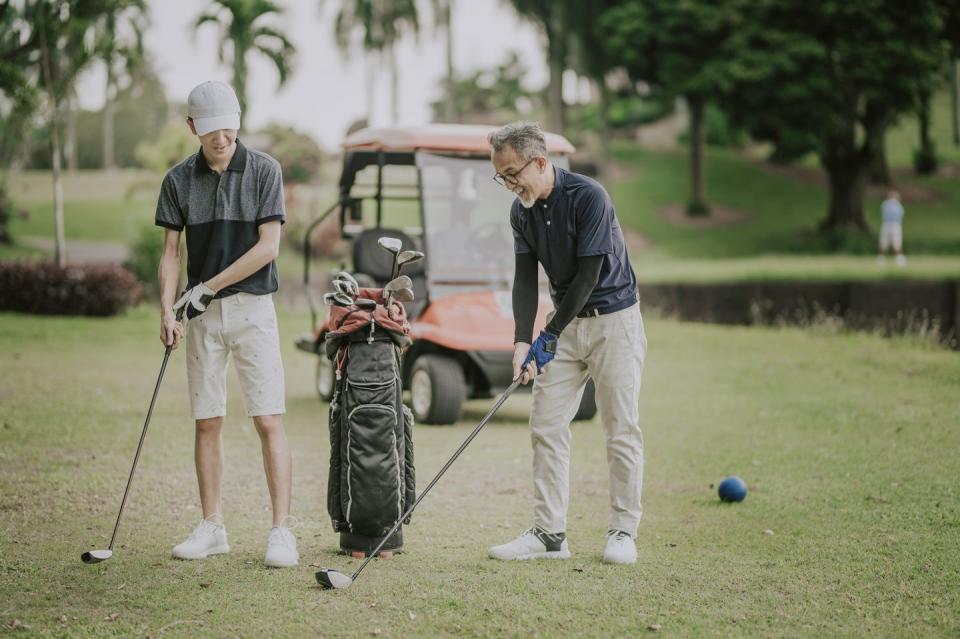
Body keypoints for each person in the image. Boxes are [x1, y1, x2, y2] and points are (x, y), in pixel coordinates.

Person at [486, 122, 648, 565]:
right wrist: (522, 341)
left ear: (541, 162)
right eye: (501, 176)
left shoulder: (589, 196)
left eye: (512, 172)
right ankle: (550, 533)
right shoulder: (521, 211)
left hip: (613, 321)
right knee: (546, 424)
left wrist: (548, 335)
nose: (508, 183)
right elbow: (524, 278)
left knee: (620, 428)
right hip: (565, 325)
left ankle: (622, 530)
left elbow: (588, 275)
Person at [155, 80, 298, 568]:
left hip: (252, 309)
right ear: (194, 127)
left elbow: (268, 248)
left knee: (267, 419)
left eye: (229, 127)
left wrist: (207, 288)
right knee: (207, 421)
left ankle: (281, 531)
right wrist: (167, 310)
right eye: (212, 129)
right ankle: (212, 526)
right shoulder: (178, 181)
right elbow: (171, 253)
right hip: (198, 317)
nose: (222, 138)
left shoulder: (263, 170)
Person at [878, 190, 906, 266]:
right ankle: (883, 258)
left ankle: (897, 258)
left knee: (894, 241)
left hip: (892, 224)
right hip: (891, 224)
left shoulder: (886, 204)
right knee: (887, 241)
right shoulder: (895, 205)